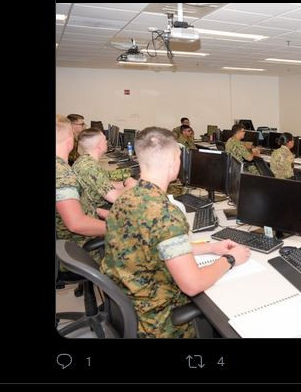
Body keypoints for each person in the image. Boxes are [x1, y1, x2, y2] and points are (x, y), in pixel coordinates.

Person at [101, 127, 250, 338]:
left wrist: (211, 247)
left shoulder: (126, 197)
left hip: (129, 305)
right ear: (173, 163)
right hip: (157, 322)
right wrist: (230, 259)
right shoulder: (166, 214)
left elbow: (158, 244)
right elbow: (192, 285)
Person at [56, 116, 106, 250]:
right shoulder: (61, 174)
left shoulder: (61, 168)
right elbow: (76, 224)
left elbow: (68, 206)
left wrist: (97, 211)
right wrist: (119, 227)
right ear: (70, 140)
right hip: (78, 246)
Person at [72, 128, 137, 214]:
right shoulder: (90, 168)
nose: (107, 141)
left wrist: (125, 183)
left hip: (93, 207)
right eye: (105, 139)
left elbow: (107, 183)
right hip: (92, 212)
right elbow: (114, 198)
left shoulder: (86, 160)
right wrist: (130, 185)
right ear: (99, 146)